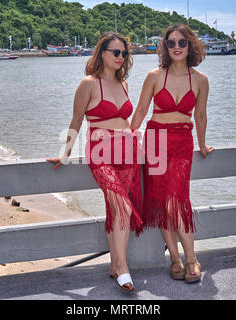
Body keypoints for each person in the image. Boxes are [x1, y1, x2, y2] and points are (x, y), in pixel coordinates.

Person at [46, 32, 143, 292]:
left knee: (116, 211)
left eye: (124, 53)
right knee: (123, 208)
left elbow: (126, 122)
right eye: (116, 52)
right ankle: (122, 268)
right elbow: (76, 122)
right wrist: (65, 153)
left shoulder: (124, 84)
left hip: (128, 153)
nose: (121, 57)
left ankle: (115, 266)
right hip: (101, 154)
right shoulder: (87, 84)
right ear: (102, 53)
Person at [130, 24, 214, 283]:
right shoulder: (155, 76)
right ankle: (175, 259)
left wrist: (201, 144)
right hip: (155, 141)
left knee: (177, 201)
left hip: (181, 143)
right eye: (171, 43)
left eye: (182, 42)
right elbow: (142, 110)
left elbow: (200, 115)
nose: (176, 47)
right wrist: (126, 138)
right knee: (163, 203)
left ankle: (191, 258)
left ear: (190, 46)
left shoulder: (200, 80)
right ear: (165, 47)